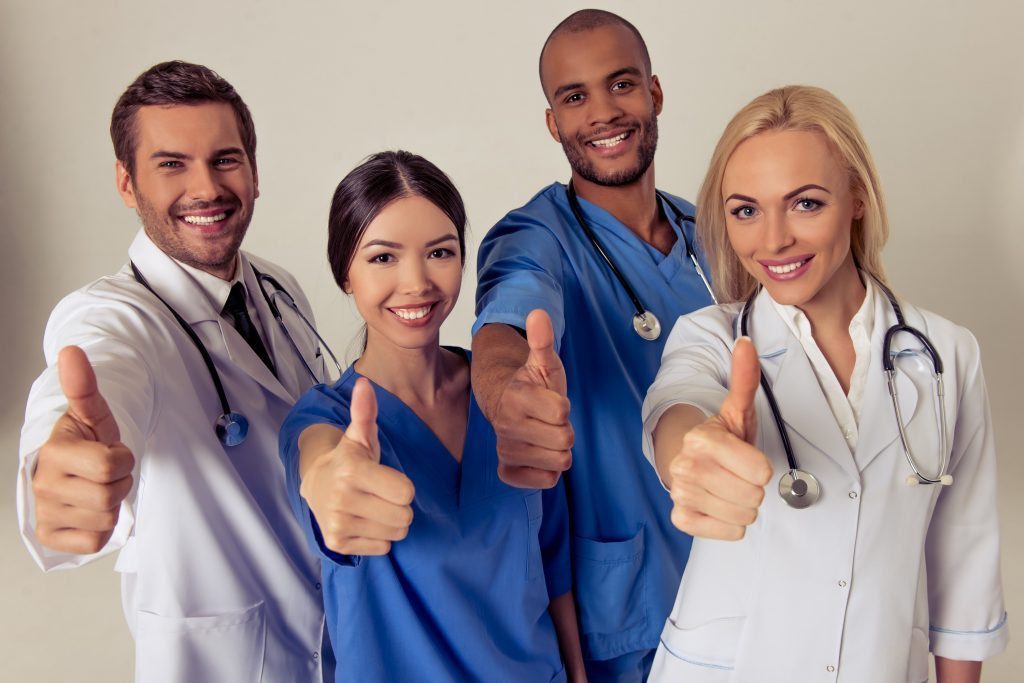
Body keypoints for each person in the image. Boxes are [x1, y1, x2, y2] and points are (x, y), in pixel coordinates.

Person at [642, 85, 1008, 681]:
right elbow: (678, 406)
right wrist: (695, 453)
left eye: (806, 204)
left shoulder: (947, 353)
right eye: (746, 210)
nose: (773, 239)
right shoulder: (709, 337)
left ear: (857, 198)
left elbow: (961, 559)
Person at [16, 61, 334, 681]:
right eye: (171, 164)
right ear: (127, 183)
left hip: (336, 644)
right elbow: (95, 372)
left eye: (225, 159)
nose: (206, 187)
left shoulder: (278, 287)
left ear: (254, 171)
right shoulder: (112, 315)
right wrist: (60, 466)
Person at [471, 10, 715, 680]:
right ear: (553, 122)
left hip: (747, 569)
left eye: (621, 84)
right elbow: (506, 326)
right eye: (574, 97)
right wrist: (506, 394)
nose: (603, 112)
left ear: (655, 93)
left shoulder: (716, 235)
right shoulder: (535, 237)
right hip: (630, 613)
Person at [279, 150, 586, 682]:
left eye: (439, 252)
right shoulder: (324, 419)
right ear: (344, 272)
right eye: (383, 258)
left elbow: (554, 564)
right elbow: (323, 473)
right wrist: (332, 486)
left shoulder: (506, 398)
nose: (417, 282)